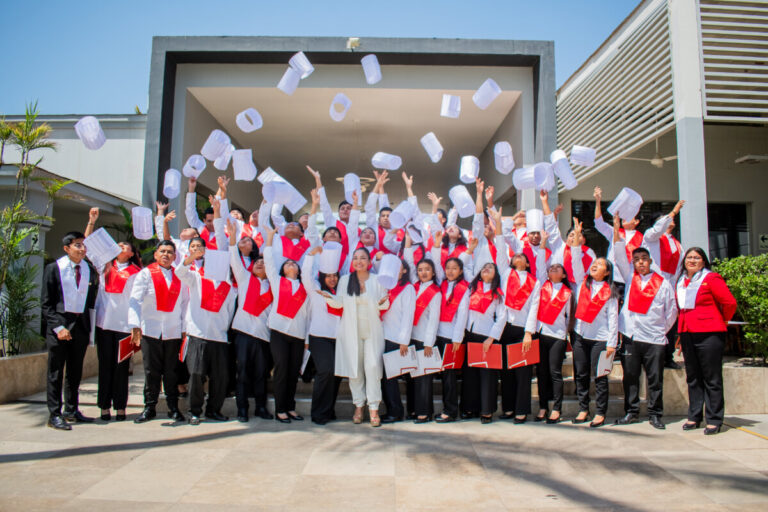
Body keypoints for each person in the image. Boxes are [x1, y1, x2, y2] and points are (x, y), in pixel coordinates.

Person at [175, 197, 237, 424]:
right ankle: (194, 411)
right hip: (198, 335)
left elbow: (229, 311)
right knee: (196, 375)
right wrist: (191, 256)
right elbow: (180, 273)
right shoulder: (196, 278)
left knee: (220, 377)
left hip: (219, 336)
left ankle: (214, 409)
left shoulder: (229, 286)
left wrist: (220, 210)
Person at [612, 216, 677, 429]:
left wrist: (659, 331)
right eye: (637, 259)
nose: (640, 262)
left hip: (655, 338)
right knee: (630, 377)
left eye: (644, 259)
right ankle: (631, 412)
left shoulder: (663, 283)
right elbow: (619, 252)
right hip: (631, 337)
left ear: (650, 261)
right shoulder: (630, 277)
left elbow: (671, 312)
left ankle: (655, 414)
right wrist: (616, 227)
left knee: (655, 379)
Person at [86, 207, 142, 422]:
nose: (121, 246)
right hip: (103, 325)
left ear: (131, 252)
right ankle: (104, 407)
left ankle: (120, 407)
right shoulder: (104, 266)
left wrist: (137, 328)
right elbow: (89, 245)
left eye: (124, 245)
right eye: (118, 244)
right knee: (105, 366)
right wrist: (92, 221)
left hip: (125, 327)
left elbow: (138, 302)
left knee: (122, 369)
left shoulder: (138, 273)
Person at [322, 248, 389, 427]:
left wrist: (383, 302)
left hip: (373, 331)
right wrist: (329, 297)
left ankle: (373, 407)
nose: (359, 261)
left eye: (363, 258)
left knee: (373, 367)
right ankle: (359, 406)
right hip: (351, 330)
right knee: (355, 370)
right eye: (356, 258)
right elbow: (339, 303)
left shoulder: (377, 280)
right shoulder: (345, 280)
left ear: (369, 262)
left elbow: (385, 302)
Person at [41, 231, 100, 430]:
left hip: (80, 327)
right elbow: (47, 303)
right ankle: (54, 413)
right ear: (67, 248)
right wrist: (58, 327)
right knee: (56, 372)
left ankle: (71, 410)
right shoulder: (54, 268)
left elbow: (91, 300)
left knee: (75, 372)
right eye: (77, 245)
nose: (82, 248)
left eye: (83, 245)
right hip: (59, 327)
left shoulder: (89, 269)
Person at [677, 247, 737, 435]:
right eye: (689, 257)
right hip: (687, 333)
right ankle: (694, 416)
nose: (692, 260)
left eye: (697, 257)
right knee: (693, 377)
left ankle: (714, 419)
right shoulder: (681, 281)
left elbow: (729, 303)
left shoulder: (711, 278)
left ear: (703, 261)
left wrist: (721, 320)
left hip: (709, 333)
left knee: (712, 378)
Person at [129, 240, 189, 423]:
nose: (166, 255)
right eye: (162, 251)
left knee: (171, 372)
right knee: (151, 371)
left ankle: (173, 407)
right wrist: (135, 325)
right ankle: (150, 407)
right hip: (151, 330)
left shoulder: (180, 276)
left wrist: (185, 328)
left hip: (172, 331)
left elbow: (186, 303)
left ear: (175, 256)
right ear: (155, 254)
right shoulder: (145, 274)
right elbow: (134, 300)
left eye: (170, 252)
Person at [496, 210, 545, 423]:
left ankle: (521, 410)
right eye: (515, 255)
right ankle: (507, 408)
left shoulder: (535, 282)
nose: (518, 257)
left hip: (523, 330)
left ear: (527, 262)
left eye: (522, 257)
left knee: (522, 372)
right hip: (504, 327)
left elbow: (534, 308)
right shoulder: (506, 274)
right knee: (506, 371)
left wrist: (528, 333)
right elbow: (500, 248)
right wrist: (500, 221)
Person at [225, 220, 274, 423]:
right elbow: (234, 257)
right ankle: (242, 409)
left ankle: (261, 407)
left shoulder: (275, 287)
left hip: (263, 336)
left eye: (264, 263)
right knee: (243, 372)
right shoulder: (245, 279)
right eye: (257, 262)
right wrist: (233, 235)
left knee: (262, 374)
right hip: (244, 334)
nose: (260, 264)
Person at [263, 227, 309, 423]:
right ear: (283, 269)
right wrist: (270, 239)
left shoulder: (306, 287)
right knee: (281, 370)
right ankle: (280, 408)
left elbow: (308, 316)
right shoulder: (277, 280)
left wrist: (307, 340)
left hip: (298, 335)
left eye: (294, 263)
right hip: (279, 333)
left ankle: (290, 407)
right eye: (288, 263)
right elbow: (269, 263)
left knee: (293, 373)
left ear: (299, 270)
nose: (291, 264)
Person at [570, 256, 620, 428]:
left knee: (600, 376)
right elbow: (575, 262)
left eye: (599, 265)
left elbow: (613, 319)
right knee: (581, 374)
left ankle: (600, 412)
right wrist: (576, 238)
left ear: (606, 272)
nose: (594, 266)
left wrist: (612, 343)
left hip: (601, 339)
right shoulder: (582, 283)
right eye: (594, 264)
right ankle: (583, 408)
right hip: (580, 336)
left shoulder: (610, 291)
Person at [431, 230, 473, 423]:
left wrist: (457, 338)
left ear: (461, 271)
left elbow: (463, 314)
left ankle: (450, 410)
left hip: (451, 338)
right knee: (439, 374)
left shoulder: (464, 288)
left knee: (449, 377)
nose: (449, 271)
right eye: (448, 267)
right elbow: (435, 265)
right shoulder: (441, 283)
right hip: (437, 335)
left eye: (454, 268)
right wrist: (437, 244)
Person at [302, 246, 343, 425]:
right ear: (322, 276)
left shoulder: (342, 293)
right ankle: (318, 412)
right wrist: (311, 255)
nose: (332, 279)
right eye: (328, 275)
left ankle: (329, 410)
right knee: (325, 371)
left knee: (336, 375)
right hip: (319, 337)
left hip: (339, 339)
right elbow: (305, 276)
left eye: (335, 275)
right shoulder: (316, 290)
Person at [643, 200, 686, 369]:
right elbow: (658, 228)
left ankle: (668, 357)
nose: (670, 220)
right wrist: (674, 211)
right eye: (664, 219)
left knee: (670, 322)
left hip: (671, 287)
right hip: (654, 286)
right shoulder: (651, 237)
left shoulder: (676, 243)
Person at [403, 242, 442, 423]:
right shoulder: (413, 287)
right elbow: (409, 263)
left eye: (427, 269)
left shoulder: (435, 292)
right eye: (420, 270)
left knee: (424, 378)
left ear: (433, 272)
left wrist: (429, 343)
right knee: (412, 377)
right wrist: (408, 244)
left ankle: (424, 412)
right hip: (410, 338)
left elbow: (433, 320)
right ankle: (413, 409)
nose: (423, 272)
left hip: (424, 341)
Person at [464, 260, 507, 424]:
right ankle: (471, 408)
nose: (486, 269)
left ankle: (487, 410)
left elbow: (501, 318)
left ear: (496, 274)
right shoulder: (472, 289)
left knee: (487, 377)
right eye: (484, 267)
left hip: (487, 337)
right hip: (470, 335)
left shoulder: (498, 293)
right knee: (470, 375)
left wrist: (492, 338)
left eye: (490, 268)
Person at [379, 259, 416, 423]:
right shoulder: (385, 287)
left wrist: (404, 341)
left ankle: (396, 411)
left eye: (398, 267)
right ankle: (392, 410)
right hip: (381, 336)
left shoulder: (407, 288)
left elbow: (408, 316)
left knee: (390, 377)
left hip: (395, 338)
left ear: (404, 271)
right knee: (385, 377)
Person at [593, 186, 643, 285]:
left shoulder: (641, 238)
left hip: (628, 278)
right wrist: (598, 201)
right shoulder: (614, 231)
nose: (624, 217)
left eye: (629, 215)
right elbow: (599, 223)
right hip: (611, 276)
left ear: (636, 221)